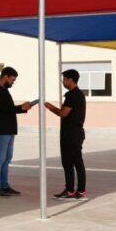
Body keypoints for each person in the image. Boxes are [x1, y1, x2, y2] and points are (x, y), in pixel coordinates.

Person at [0, 66, 31, 197]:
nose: (13, 82)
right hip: (1, 131)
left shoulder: (4, 90)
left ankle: (4, 186)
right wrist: (21, 107)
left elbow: (8, 109)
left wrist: (22, 108)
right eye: (12, 80)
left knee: (6, 159)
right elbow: (5, 109)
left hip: (8, 130)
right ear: (5, 76)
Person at [47, 69, 88, 200]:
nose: (63, 82)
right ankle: (71, 190)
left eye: (64, 79)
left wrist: (49, 107)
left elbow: (63, 113)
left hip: (72, 134)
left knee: (75, 162)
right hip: (72, 133)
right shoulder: (78, 94)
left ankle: (79, 191)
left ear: (71, 79)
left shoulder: (73, 95)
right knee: (69, 162)